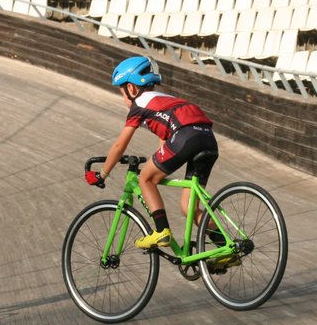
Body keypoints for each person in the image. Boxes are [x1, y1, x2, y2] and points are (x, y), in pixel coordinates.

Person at [87, 55, 222, 250]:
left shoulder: (139, 105)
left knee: (145, 179)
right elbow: (165, 143)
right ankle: (226, 248)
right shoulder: (165, 100)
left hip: (186, 136)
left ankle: (161, 232)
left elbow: (119, 146)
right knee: (189, 208)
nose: (124, 98)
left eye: (121, 92)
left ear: (131, 88)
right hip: (208, 139)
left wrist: (102, 174)